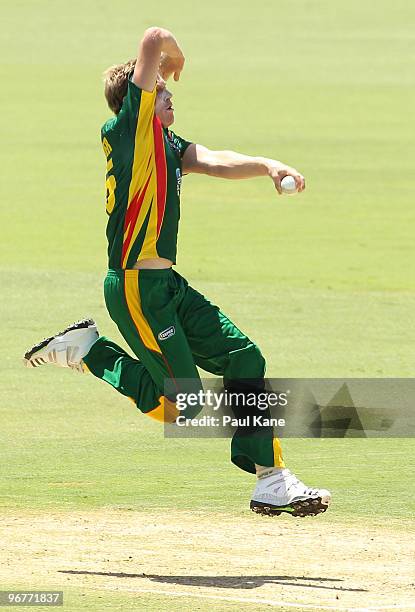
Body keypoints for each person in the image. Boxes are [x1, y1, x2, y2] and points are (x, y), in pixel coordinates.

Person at [24, 27, 331, 518]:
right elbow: (153, 39)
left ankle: (272, 480)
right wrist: (173, 53)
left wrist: (268, 165)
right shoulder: (130, 131)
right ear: (140, 100)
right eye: (162, 93)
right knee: (183, 408)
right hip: (135, 288)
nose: (171, 100)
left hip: (169, 286)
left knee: (244, 358)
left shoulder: (166, 143)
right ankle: (91, 353)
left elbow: (212, 160)